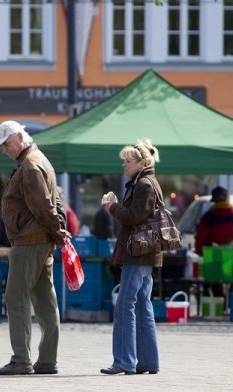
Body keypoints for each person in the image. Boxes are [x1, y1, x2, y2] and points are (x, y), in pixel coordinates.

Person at [0, 120, 67, 376]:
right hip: (40, 240)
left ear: (20, 138)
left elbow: (43, 206)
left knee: (16, 298)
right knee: (45, 300)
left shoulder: (30, 165)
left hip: (29, 241)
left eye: (7, 145)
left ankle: (21, 359)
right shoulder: (39, 159)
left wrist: (58, 233)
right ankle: (46, 360)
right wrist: (59, 234)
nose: (5, 150)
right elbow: (55, 201)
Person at [100, 139, 161, 375]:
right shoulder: (145, 182)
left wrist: (112, 207)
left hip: (138, 253)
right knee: (143, 305)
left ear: (142, 163)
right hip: (144, 254)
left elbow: (134, 216)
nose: (124, 165)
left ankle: (124, 361)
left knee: (125, 304)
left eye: (128, 161)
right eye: (124, 161)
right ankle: (148, 361)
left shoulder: (144, 184)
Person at [194, 186, 233, 255]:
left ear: (214, 200)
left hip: (214, 257)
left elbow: (200, 239)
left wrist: (199, 252)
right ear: (227, 198)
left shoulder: (208, 217)